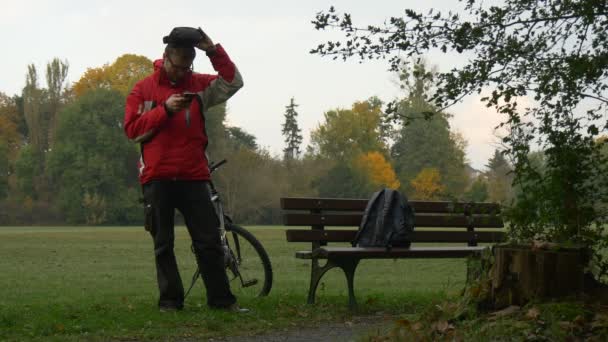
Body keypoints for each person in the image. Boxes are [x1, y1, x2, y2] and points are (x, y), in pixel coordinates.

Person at [123, 27, 245, 312]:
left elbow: (233, 81)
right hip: (157, 177)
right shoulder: (143, 89)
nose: (182, 72)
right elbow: (131, 129)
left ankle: (222, 301)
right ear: (166, 58)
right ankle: (170, 302)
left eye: (188, 65)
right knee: (163, 244)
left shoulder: (198, 84)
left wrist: (213, 51)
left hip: (193, 175)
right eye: (178, 66)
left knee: (209, 242)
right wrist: (165, 109)